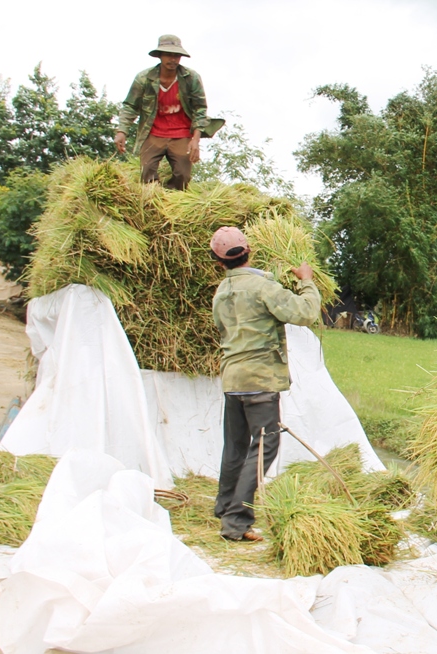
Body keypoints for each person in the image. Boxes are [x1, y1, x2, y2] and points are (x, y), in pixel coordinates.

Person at [210, 226, 321, 541]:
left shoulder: (221, 293)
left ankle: (224, 506)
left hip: (233, 380)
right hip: (260, 382)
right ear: (249, 252)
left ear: (219, 262)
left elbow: (222, 329)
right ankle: (236, 521)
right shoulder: (262, 287)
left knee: (235, 448)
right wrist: (307, 281)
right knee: (264, 447)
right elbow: (305, 312)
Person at [116, 35, 217, 190]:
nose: (173, 60)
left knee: (183, 176)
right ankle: (152, 199)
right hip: (154, 133)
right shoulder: (144, 79)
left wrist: (195, 139)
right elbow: (130, 106)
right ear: (160, 55)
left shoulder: (191, 78)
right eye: (169, 55)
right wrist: (122, 131)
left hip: (182, 133)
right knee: (147, 172)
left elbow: (200, 109)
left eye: (176, 56)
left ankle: (171, 200)